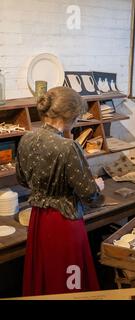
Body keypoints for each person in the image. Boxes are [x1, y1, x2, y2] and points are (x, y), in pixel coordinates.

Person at [16, 87, 104, 296]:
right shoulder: (68, 147)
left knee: (46, 273)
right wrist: (97, 188)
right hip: (64, 221)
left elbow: (23, 180)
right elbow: (90, 196)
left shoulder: (26, 138)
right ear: (70, 115)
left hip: (38, 218)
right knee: (68, 276)